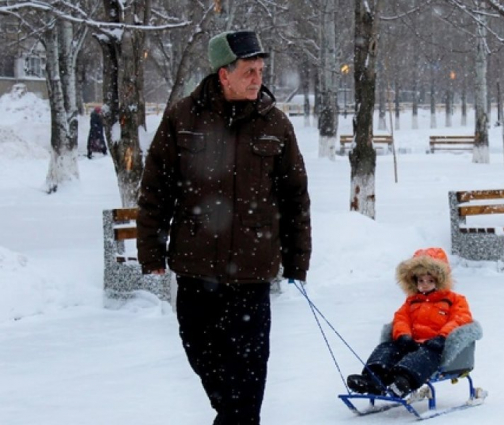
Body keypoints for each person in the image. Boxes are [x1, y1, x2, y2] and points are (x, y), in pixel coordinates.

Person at [136, 30, 311, 425]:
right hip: (196, 268)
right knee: (202, 354)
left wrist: (297, 260)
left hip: (252, 272)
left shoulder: (275, 124)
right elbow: (156, 189)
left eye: (260, 71)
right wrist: (150, 249)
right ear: (223, 74)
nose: (257, 79)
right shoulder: (182, 118)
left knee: (248, 372)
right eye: (249, 71)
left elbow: (295, 199)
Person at [346, 247, 473, 398]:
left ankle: (403, 382)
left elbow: (460, 318)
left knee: (422, 358)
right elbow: (401, 318)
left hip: (436, 347)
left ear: (440, 281)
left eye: (430, 280)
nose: (424, 284)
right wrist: (403, 336)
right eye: (420, 281)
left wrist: (442, 337)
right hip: (411, 344)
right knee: (387, 348)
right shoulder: (412, 301)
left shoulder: (454, 300)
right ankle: (373, 378)